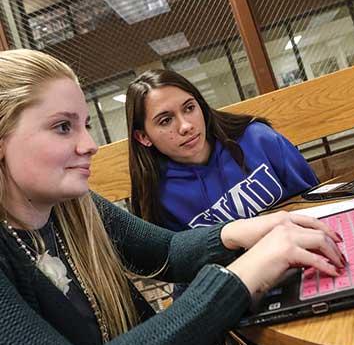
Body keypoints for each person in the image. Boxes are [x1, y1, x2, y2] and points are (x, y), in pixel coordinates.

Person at [0, 49, 345, 345]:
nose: (89, 144)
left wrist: (240, 231)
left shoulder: (75, 206)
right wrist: (240, 276)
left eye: (86, 125)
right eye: (63, 127)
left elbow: (165, 252)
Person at [125, 69, 319, 297]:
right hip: (239, 296)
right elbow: (186, 274)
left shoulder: (259, 139)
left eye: (189, 108)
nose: (186, 126)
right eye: (166, 120)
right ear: (143, 137)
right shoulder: (159, 197)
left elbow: (315, 205)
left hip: (307, 265)